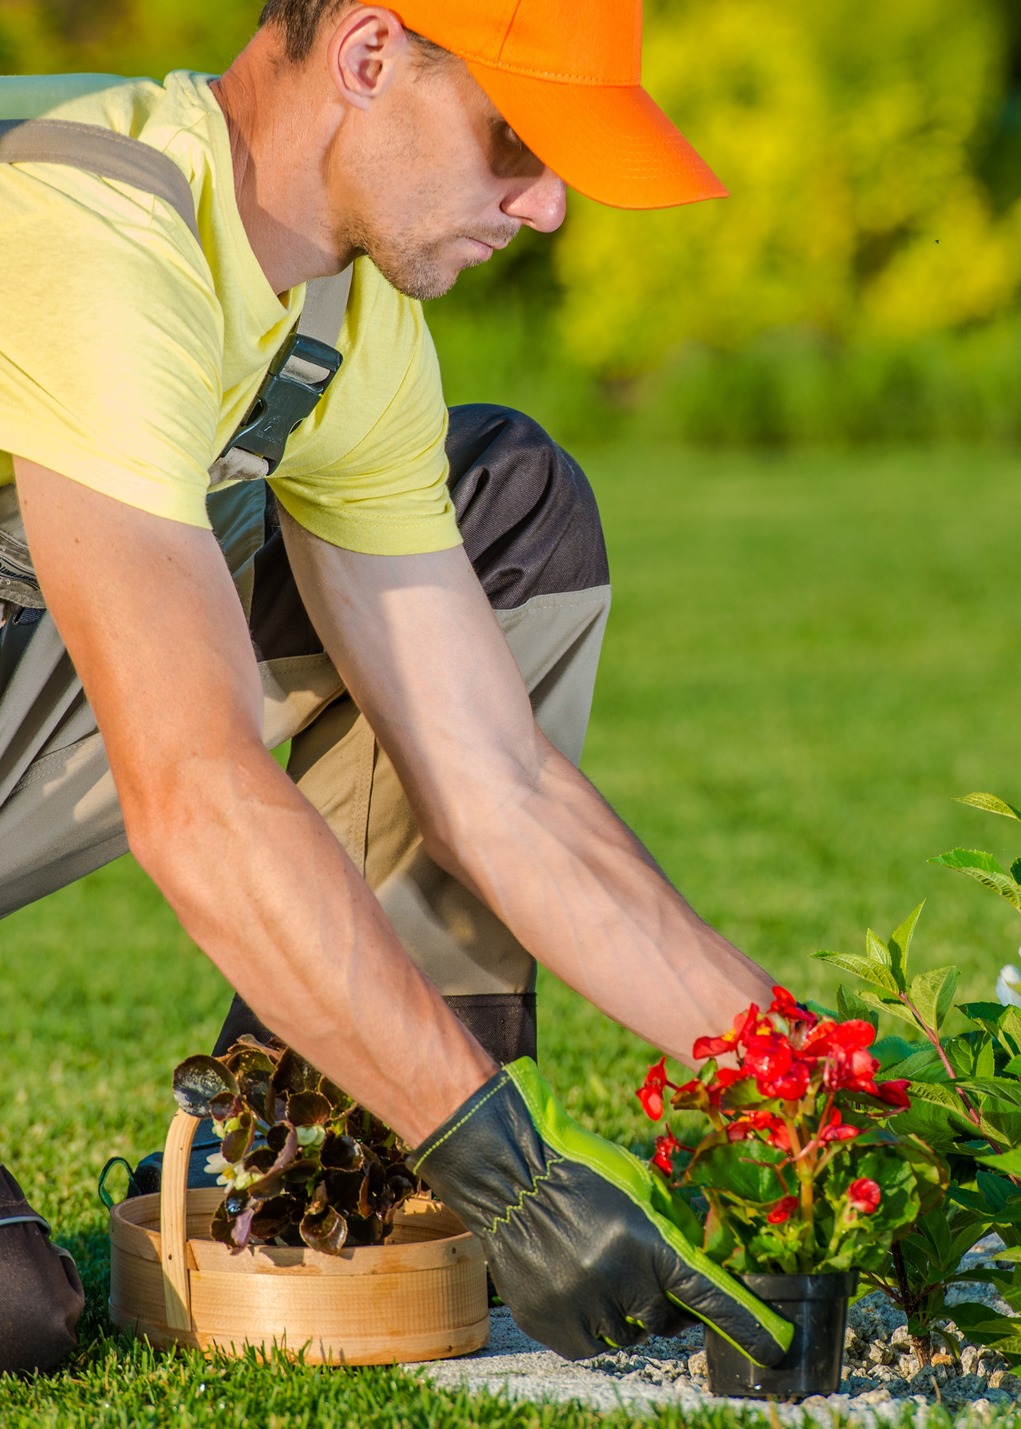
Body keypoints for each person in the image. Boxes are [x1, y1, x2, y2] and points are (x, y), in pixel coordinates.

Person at [0, 0, 795, 1375]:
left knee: (502, 502)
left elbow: (500, 785)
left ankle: (317, 1128)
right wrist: (512, 1175)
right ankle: (412, 1104)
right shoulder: (92, 229)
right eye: (519, 142)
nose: (546, 208)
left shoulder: (344, 325)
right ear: (371, 57)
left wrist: (817, 1088)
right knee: (14, 1316)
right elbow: (191, 795)